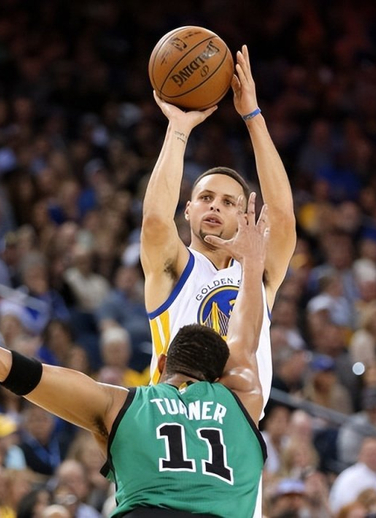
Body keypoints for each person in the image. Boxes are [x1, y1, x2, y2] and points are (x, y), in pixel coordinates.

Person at [0, 194, 270, 518]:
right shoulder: (243, 398)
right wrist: (252, 266)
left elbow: (12, 367)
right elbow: (246, 337)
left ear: (160, 366)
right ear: (221, 377)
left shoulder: (121, 404)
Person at [141, 45, 296, 409]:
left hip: (237, 427)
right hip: (174, 415)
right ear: (187, 210)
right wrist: (178, 128)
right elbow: (155, 221)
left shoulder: (256, 273)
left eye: (228, 202)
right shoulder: (175, 267)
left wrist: (253, 116)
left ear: (244, 218)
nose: (214, 205)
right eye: (206, 198)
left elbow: (283, 218)